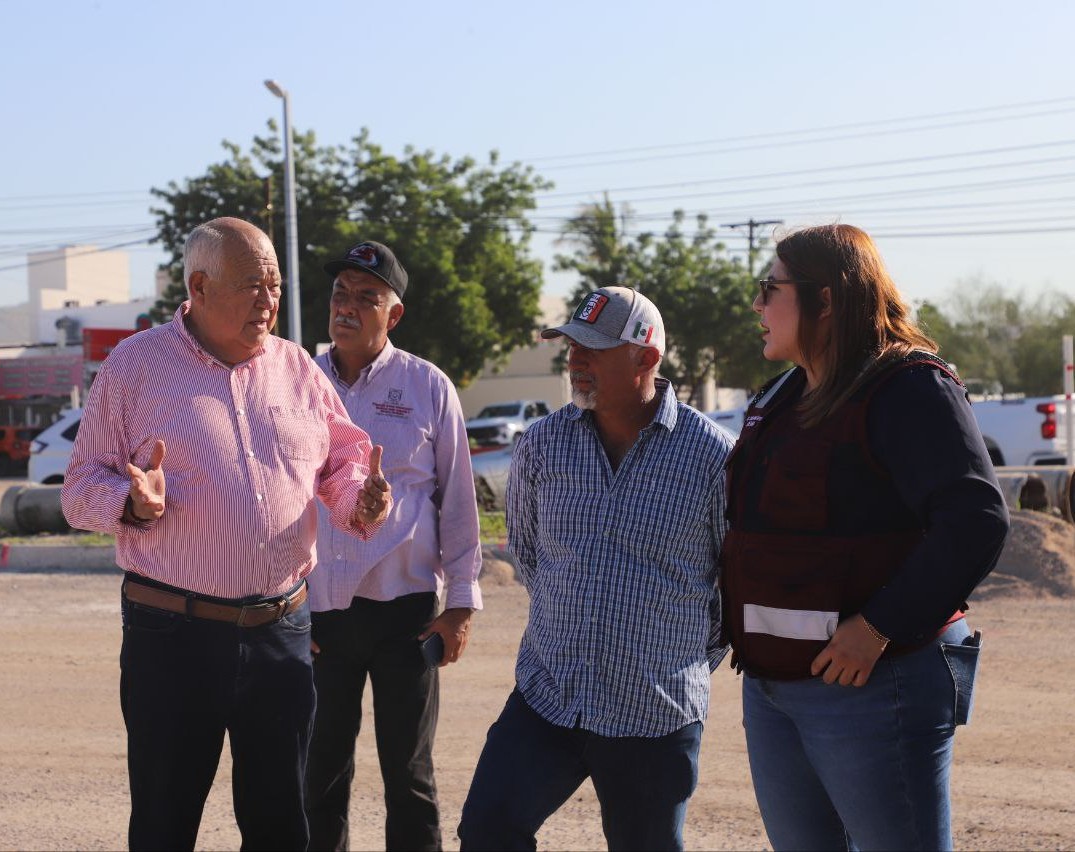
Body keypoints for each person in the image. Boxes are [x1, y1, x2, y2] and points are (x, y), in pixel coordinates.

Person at [60, 217, 393, 852]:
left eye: (275, 285)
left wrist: (363, 497)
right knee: (165, 822)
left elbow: (343, 460)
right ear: (200, 286)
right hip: (173, 637)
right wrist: (131, 504)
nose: (269, 301)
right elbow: (78, 492)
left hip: (281, 635)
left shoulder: (296, 368)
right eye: (252, 286)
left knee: (280, 826)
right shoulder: (133, 368)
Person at [721, 224, 1010, 851]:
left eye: (770, 289)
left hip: (877, 684)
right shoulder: (788, 393)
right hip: (776, 689)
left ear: (826, 299)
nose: (757, 305)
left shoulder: (907, 386)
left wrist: (880, 624)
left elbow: (976, 519)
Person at [458, 286, 734, 852]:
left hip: (653, 714)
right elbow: (533, 559)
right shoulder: (541, 446)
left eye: (593, 348)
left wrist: (666, 661)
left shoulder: (714, 459)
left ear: (647, 358)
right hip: (549, 696)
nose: (575, 361)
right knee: (487, 831)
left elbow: (731, 587)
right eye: (570, 347)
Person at [304, 240, 483, 851]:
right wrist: (283, 606)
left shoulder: (427, 386)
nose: (347, 308)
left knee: (409, 776)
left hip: (406, 616)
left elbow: (458, 502)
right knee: (319, 774)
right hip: (320, 615)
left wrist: (459, 606)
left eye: (366, 298)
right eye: (340, 295)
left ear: (394, 314)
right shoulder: (299, 382)